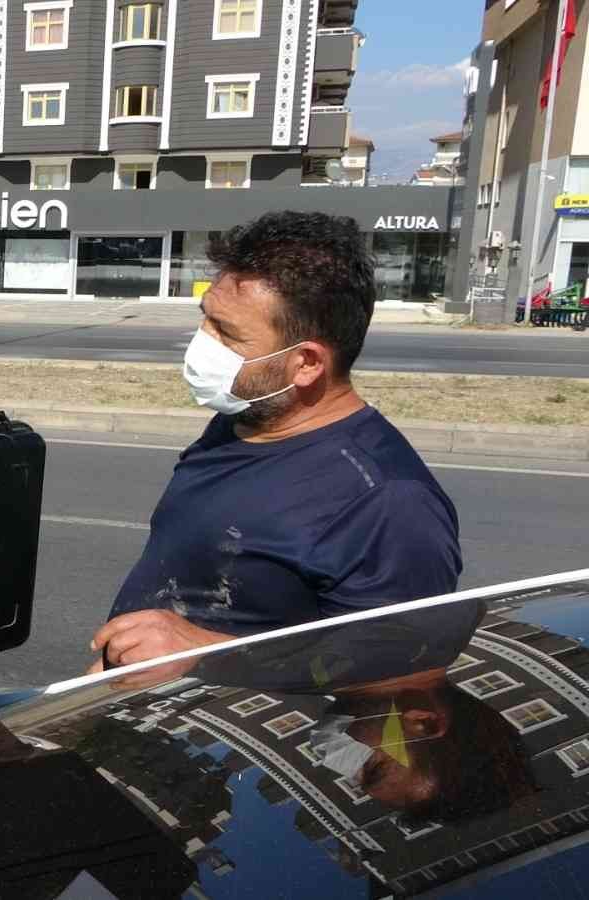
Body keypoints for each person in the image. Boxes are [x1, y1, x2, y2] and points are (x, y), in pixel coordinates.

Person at [91, 211, 462, 672]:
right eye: (206, 319)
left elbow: (399, 677)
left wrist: (203, 653)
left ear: (306, 363)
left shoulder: (387, 501)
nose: (201, 343)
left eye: (227, 333)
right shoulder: (243, 419)